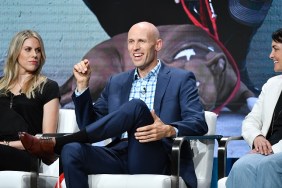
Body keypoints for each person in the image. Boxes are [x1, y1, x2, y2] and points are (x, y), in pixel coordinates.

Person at [19, 22, 208, 188]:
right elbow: (90, 126)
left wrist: (169, 130)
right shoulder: (117, 82)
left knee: (137, 107)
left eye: (141, 41)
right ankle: (63, 145)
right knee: (72, 151)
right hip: (119, 154)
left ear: (157, 44)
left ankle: (57, 144)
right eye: (131, 42)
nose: (135, 47)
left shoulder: (180, 79)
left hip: (157, 155)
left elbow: (198, 122)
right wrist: (83, 87)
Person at [225, 28, 282, 188]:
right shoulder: (271, 85)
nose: (271, 55)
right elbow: (251, 120)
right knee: (241, 166)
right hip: (268, 152)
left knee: (269, 165)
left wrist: (269, 149)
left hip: (274, 154)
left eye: (275, 49)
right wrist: (257, 138)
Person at [0, 30, 60, 171]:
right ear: (16, 53)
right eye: (28, 49)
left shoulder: (48, 87)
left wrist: (6, 144)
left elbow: (46, 140)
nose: (35, 55)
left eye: (38, 50)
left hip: (26, 154)